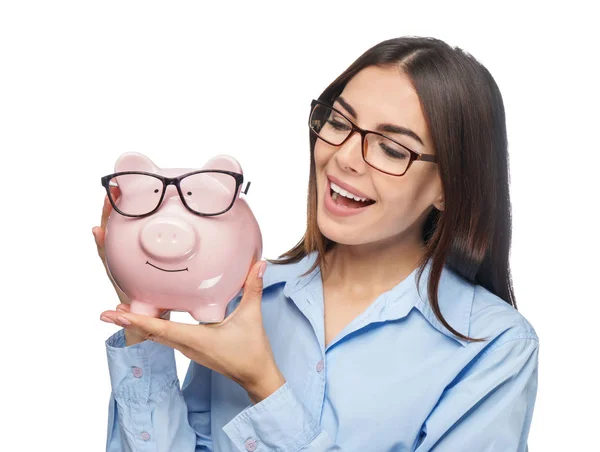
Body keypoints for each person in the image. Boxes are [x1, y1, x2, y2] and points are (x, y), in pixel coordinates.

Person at [94, 36, 539, 451]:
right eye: (339, 122)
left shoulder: (493, 345)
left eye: (390, 149)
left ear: (449, 185)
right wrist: (143, 322)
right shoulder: (245, 296)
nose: (343, 156)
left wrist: (264, 385)